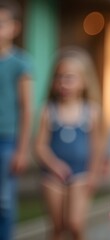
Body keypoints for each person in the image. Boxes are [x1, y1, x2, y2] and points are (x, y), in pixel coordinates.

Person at [34, 47, 103, 240]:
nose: (64, 83)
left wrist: (94, 174)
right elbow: (39, 146)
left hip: (81, 175)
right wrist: (54, 165)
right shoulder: (48, 111)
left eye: (70, 77)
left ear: (84, 81)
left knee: (75, 224)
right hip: (53, 176)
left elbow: (96, 147)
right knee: (58, 227)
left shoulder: (92, 112)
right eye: (59, 77)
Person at [0, 1, 32, 239]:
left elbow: (27, 108)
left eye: (2, 23)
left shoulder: (21, 63)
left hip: (7, 141)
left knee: (4, 201)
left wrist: (22, 150)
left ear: (15, 28)